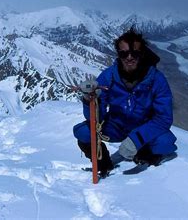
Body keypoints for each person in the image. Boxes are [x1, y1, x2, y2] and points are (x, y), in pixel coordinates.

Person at [73, 28, 177, 176]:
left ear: (142, 54)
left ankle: (143, 153)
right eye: (123, 53)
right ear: (118, 54)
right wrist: (88, 100)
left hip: (143, 126)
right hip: (115, 126)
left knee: (166, 142)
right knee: (82, 132)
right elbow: (95, 119)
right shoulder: (108, 77)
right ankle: (103, 161)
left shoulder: (156, 80)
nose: (129, 57)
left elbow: (164, 118)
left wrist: (137, 139)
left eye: (134, 53)